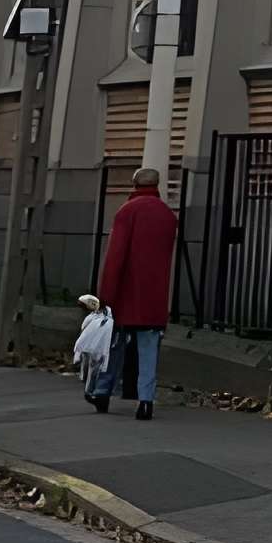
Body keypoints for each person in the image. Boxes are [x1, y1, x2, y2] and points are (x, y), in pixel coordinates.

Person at [90, 167, 177, 419]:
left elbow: (115, 258)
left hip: (126, 295)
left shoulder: (126, 212)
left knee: (114, 347)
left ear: (134, 183)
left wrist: (106, 296)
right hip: (154, 298)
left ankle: (102, 391)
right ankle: (146, 401)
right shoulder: (167, 216)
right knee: (149, 350)